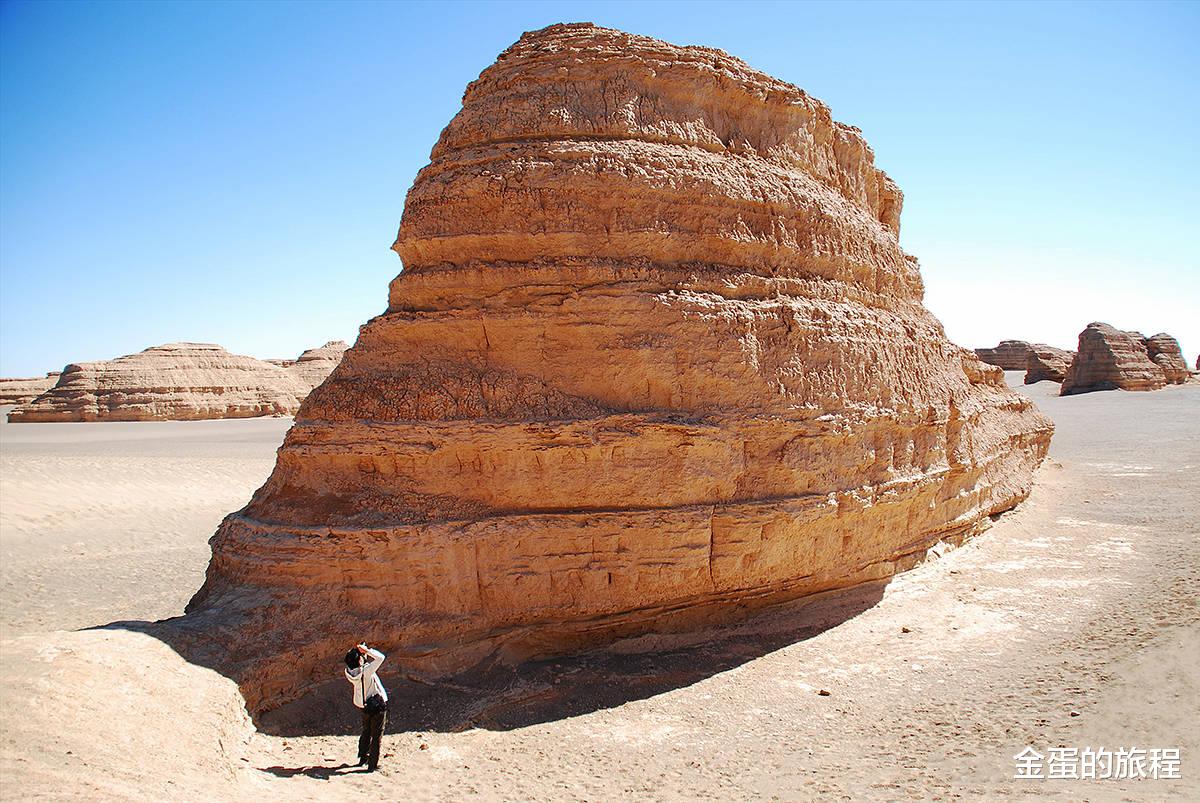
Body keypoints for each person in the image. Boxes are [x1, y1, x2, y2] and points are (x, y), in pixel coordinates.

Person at [344, 642, 388, 771]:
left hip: (363, 705)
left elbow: (358, 665)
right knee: (376, 735)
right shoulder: (366, 672)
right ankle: (372, 765)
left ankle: (363, 757)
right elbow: (381, 658)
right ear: (359, 660)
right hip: (376, 706)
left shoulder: (349, 672)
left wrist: (361, 656)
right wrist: (367, 650)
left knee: (366, 731)